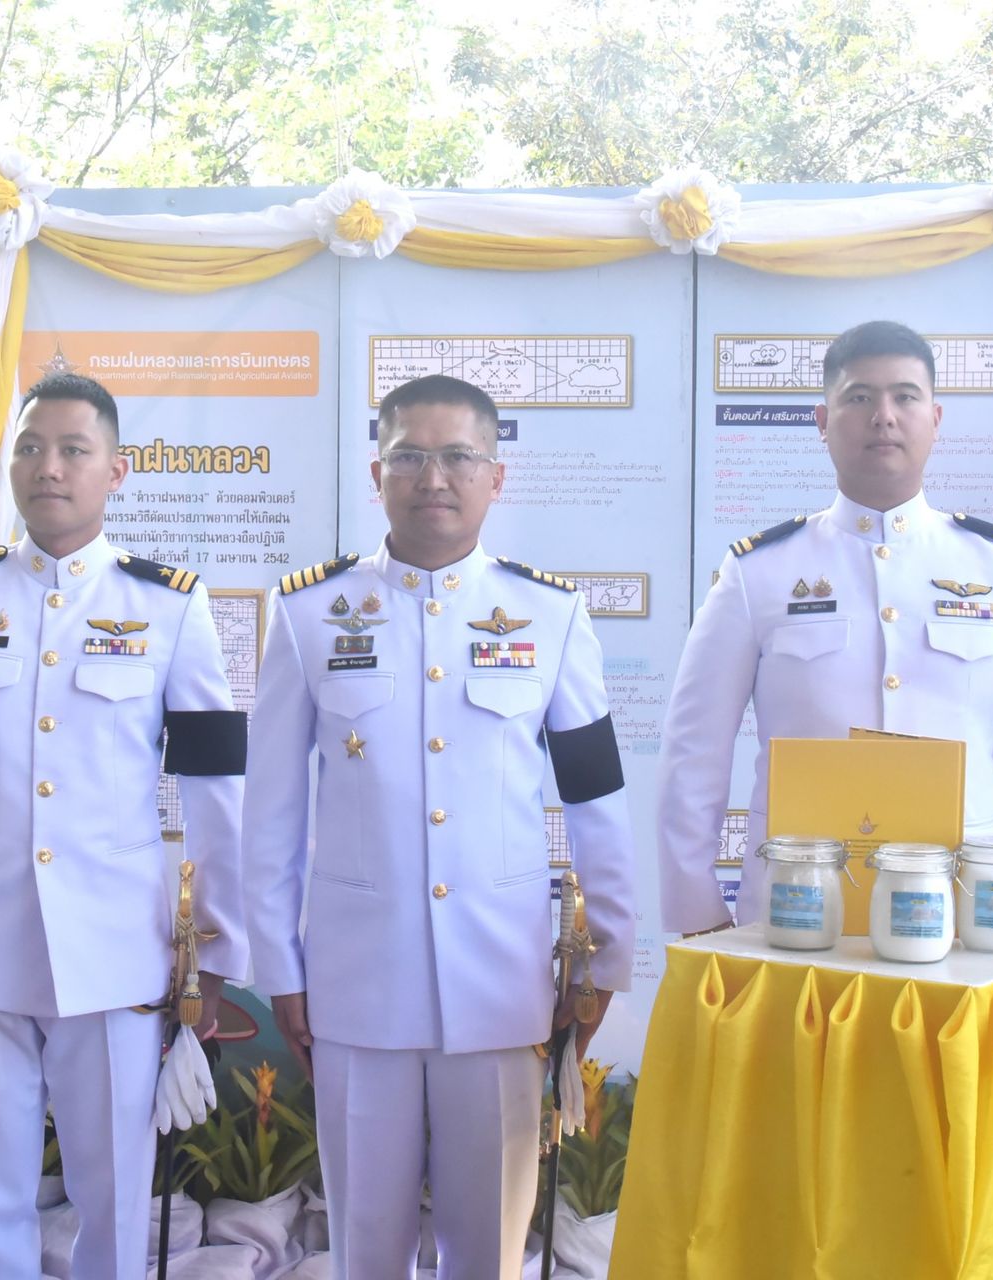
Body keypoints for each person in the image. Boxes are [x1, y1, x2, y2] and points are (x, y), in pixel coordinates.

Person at [242, 374, 634, 1279]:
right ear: (376, 473)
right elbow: (270, 817)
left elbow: (597, 801)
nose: (434, 477)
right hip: (356, 988)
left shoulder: (550, 616)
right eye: (410, 456)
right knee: (364, 1249)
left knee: (488, 1249)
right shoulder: (308, 614)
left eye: (459, 456)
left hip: (501, 987)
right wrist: (281, 970)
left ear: (496, 476)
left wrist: (605, 960)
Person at [0, 372, 247, 1280]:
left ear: (115, 471)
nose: (49, 467)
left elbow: (215, 790)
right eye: (30, 448)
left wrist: (214, 954)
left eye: (74, 450)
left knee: (116, 1199)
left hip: (118, 951)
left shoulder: (169, 606)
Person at [656, 320, 993, 935]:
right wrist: (700, 916)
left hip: (968, 916)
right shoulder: (757, 573)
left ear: (935, 420)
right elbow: (694, 749)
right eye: (859, 397)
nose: (883, 416)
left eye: (905, 397)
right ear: (822, 421)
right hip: (797, 911)